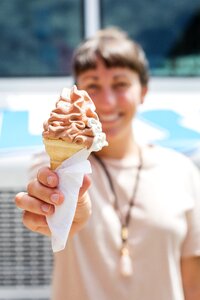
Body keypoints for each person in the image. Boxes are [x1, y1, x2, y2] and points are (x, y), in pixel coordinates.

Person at [15, 27, 200, 300]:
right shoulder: (59, 165)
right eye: (93, 86)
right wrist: (66, 210)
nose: (108, 101)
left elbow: (193, 280)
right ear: (79, 95)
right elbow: (63, 209)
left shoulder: (181, 170)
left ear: (143, 91)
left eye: (120, 84)